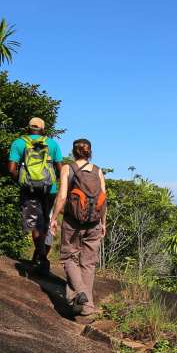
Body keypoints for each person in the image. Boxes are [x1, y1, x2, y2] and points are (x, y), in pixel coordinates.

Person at [50, 138, 107, 322]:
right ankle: (87, 308)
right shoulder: (98, 171)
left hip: (73, 222)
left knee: (68, 258)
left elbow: (62, 196)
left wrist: (53, 218)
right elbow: (103, 200)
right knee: (88, 263)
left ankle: (80, 294)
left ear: (74, 152)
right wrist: (103, 222)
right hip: (94, 223)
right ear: (90, 152)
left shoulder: (68, 168)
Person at [8, 117, 62, 277]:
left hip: (29, 189)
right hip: (49, 189)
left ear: (28, 128)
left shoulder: (18, 143)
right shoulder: (52, 144)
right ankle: (40, 256)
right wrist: (55, 182)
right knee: (46, 221)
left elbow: (11, 169)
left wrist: (24, 180)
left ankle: (41, 257)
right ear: (43, 129)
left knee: (35, 223)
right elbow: (60, 168)